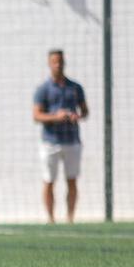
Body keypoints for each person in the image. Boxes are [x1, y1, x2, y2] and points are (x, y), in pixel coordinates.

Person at [33, 48, 88, 223]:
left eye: (61, 61)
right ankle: (51, 218)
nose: (59, 65)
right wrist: (55, 117)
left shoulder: (75, 87)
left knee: (72, 180)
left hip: (72, 140)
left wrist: (76, 116)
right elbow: (36, 115)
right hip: (51, 142)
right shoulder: (43, 89)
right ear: (49, 64)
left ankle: (70, 217)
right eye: (55, 62)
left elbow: (85, 111)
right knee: (49, 180)